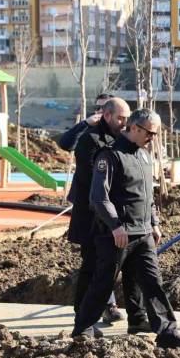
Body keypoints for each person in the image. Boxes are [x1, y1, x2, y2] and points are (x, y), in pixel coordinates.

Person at [72, 109, 180, 349]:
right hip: (117, 235)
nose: (153, 137)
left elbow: (148, 196)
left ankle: (167, 331)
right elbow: (99, 197)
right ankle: (83, 328)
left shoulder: (145, 156)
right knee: (104, 282)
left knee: (152, 282)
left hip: (144, 233)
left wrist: (155, 223)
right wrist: (116, 226)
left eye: (156, 133)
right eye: (150, 132)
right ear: (135, 128)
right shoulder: (110, 156)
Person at [66, 98, 148, 333]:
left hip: (118, 216)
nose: (124, 122)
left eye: (127, 118)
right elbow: (101, 184)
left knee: (128, 268)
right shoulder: (90, 141)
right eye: (121, 118)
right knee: (92, 266)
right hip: (92, 217)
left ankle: (132, 316)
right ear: (107, 116)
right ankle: (83, 319)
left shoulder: (123, 141)